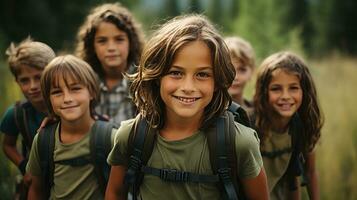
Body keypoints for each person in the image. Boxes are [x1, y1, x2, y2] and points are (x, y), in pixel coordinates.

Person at [105, 14, 269, 200]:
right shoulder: (131, 136)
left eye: (202, 75)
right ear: (157, 76)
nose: (188, 88)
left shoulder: (239, 143)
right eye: (176, 73)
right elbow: (114, 193)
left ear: (217, 81)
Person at [26, 55, 117, 199]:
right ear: (48, 99)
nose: (67, 98)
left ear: (92, 92)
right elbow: (36, 190)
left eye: (75, 89)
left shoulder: (111, 138)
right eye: (57, 92)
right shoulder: (43, 140)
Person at [253, 51, 323, 199]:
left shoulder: (301, 126)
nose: (285, 96)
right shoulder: (251, 126)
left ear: (305, 91)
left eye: (293, 88)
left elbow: (301, 174)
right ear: (264, 92)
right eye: (276, 88)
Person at [0, 37, 55, 199]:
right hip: (38, 185)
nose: (33, 86)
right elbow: (8, 145)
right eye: (24, 80)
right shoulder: (17, 114)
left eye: (39, 77)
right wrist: (25, 167)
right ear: (17, 82)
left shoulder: (68, 107)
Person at [75, 2, 145, 125]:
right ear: (92, 46)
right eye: (102, 41)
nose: (111, 47)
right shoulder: (82, 83)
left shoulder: (145, 82)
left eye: (119, 39)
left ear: (131, 42)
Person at [225, 36, 255, 115]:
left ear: (251, 71)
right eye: (229, 69)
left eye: (242, 70)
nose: (235, 77)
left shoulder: (259, 113)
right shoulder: (210, 112)